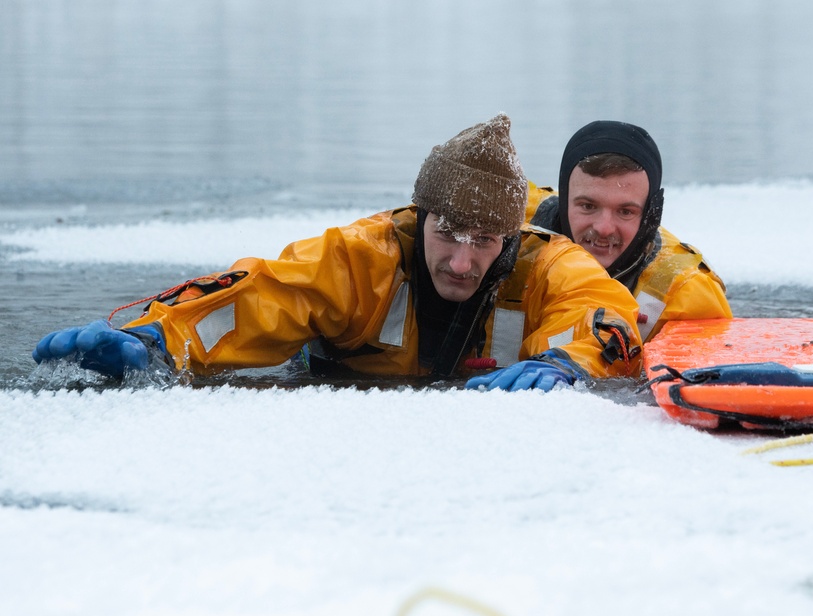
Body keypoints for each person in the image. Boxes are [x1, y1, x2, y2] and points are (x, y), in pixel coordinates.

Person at [32, 114, 641, 391]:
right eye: (447, 234)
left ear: (509, 240)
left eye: (483, 242)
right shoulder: (359, 259)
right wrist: (158, 339)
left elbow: (599, 310)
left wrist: (570, 364)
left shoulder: (546, 263)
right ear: (419, 217)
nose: (461, 262)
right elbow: (262, 295)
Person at [527, 120, 731, 342]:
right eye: (588, 206)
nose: (603, 228)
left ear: (649, 215)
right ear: (565, 199)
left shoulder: (688, 295)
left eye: (625, 211)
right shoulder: (506, 227)